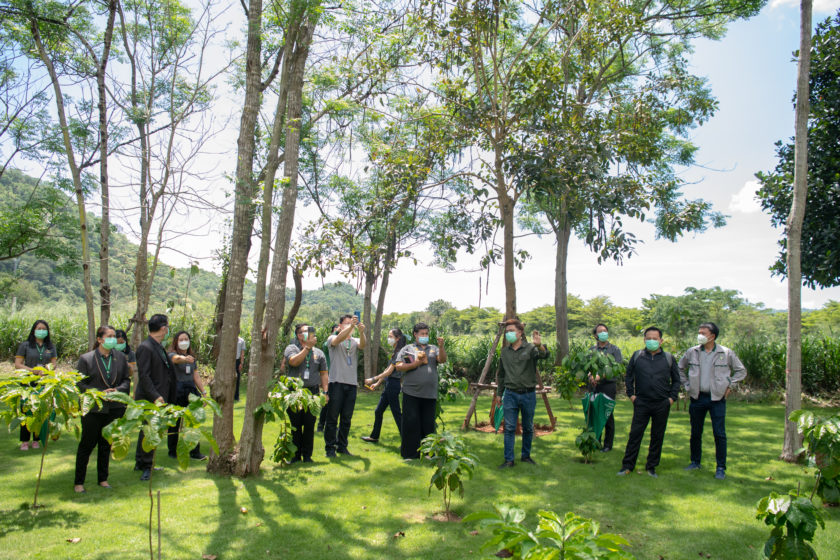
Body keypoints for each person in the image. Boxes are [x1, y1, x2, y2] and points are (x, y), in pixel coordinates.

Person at [679, 322, 747, 480]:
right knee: (695, 432)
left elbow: (741, 371)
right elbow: (679, 368)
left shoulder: (726, 353)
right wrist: (687, 385)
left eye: (703, 333)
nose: (700, 336)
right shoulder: (692, 352)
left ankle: (721, 467)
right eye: (699, 332)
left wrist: (730, 385)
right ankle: (695, 462)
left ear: (713, 336)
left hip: (717, 398)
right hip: (697, 398)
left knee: (719, 433)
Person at [74, 325, 131, 493]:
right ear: (100, 339)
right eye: (110, 336)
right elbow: (80, 384)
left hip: (114, 408)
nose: (113, 339)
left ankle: (103, 479)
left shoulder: (120, 357)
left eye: (114, 336)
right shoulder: (86, 359)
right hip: (93, 409)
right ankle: (79, 482)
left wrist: (117, 391)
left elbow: (126, 381)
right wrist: (98, 393)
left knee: (106, 444)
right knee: (87, 445)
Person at [617, 327, 680, 478]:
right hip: (641, 403)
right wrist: (631, 395)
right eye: (649, 338)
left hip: (661, 404)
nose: (652, 341)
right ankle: (627, 466)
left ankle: (651, 467)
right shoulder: (637, 356)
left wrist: (671, 398)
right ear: (644, 340)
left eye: (655, 338)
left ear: (661, 341)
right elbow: (628, 377)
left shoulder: (668, 358)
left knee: (657, 436)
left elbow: (677, 380)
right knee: (635, 434)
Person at [495, 318, 548, 468]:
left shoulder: (531, 348)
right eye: (507, 332)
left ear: (520, 332)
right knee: (509, 427)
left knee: (528, 427)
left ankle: (526, 456)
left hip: (528, 395)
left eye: (511, 331)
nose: (509, 334)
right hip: (510, 394)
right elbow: (501, 375)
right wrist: (499, 393)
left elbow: (544, 356)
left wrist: (540, 346)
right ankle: (509, 460)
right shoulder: (504, 352)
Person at [134, 314, 177, 481]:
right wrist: (155, 396)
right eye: (167, 327)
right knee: (150, 431)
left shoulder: (158, 346)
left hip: (160, 395)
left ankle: (141, 461)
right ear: (163, 328)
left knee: (147, 430)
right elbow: (144, 376)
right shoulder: (146, 347)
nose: (168, 330)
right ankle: (147, 465)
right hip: (151, 397)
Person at [395, 323, 446, 460]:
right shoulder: (408, 349)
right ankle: (410, 454)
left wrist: (441, 346)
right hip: (411, 392)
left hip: (429, 393)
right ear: (415, 334)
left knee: (428, 424)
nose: (425, 336)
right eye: (422, 334)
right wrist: (416, 364)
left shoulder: (433, 348)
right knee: (410, 422)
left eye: (426, 334)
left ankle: (429, 453)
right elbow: (399, 366)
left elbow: (442, 360)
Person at [284, 324, 329, 463]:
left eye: (310, 331)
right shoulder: (292, 348)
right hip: (295, 392)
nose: (309, 333)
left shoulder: (319, 353)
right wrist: (307, 348)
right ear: (299, 335)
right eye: (305, 331)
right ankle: (295, 456)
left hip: (313, 392)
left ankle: (307, 456)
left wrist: (325, 391)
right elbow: (294, 362)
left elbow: (324, 373)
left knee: (310, 425)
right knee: (295, 425)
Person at [324, 315, 366, 457]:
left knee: (346, 419)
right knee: (332, 418)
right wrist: (351, 327)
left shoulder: (355, 340)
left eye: (351, 323)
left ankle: (342, 446)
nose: (350, 325)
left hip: (351, 384)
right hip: (336, 383)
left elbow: (363, 345)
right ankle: (330, 448)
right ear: (340, 325)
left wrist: (361, 331)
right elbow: (337, 340)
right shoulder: (332, 338)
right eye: (346, 323)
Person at [14, 319, 58, 450]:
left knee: (41, 411)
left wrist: (46, 371)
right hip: (28, 382)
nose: (41, 331)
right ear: (34, 330)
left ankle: (36, 439)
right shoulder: (26, 345)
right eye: (39, 329)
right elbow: (18, 364)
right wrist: (32, 371)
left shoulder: (50, 347)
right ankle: (24, 440)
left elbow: (54, 364)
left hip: (44, 382)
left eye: (44, 329)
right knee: (26, 410)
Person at [361, 328, 407, 443]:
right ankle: (374, 436)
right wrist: (377, 383)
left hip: (393, 385)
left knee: (396, 413)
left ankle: (407, 440)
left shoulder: (399, 353)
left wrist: (373, 379)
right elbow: (387, 370)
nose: (388, 338)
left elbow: (389, 371)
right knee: (378, 411)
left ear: (398, 338)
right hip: (389, 384)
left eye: (390, 336)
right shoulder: (395, 352)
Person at [166, 331, 207, 461]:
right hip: (177, 391)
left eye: (186, 339)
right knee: (174, 422)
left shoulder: (192, 358)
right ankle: (172, 451)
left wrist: (203, 392)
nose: (184, 342)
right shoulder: (172, 355)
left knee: (193, 422)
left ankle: (195, 451)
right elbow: (175, 359)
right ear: (176, 342)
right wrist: (184, 359)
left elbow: (195, 375)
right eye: (181, 339)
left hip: (190, 391)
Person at [589, 324, 623, 452]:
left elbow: (616, 368)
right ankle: (596, 441)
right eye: (600, 331)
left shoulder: (614, 350)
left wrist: (600, 377)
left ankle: (608, 444)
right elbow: (588, 366)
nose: (603, 333)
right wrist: (591, 377)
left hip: (608, 385)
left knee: (607, 414)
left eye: (605, 331)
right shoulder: (592, 350)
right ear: (595, 335)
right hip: (594, 386)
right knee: (594, 413)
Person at [317, 324, 340, 433]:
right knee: (327, 402)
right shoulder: (327, 345)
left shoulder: (341, 346)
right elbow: (326, 345)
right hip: (329, 377)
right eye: (336, 331)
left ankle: (332, 425)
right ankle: (321, 425)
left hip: (338, 378)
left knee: (336, 403)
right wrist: (337, 332)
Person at [235, 333, 246, 402]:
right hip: (229, 361)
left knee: (237, 379)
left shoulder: (241, 341)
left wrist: (241, 363)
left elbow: (242, 353)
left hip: (237, 361)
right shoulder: (229, 339)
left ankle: (236, 397)